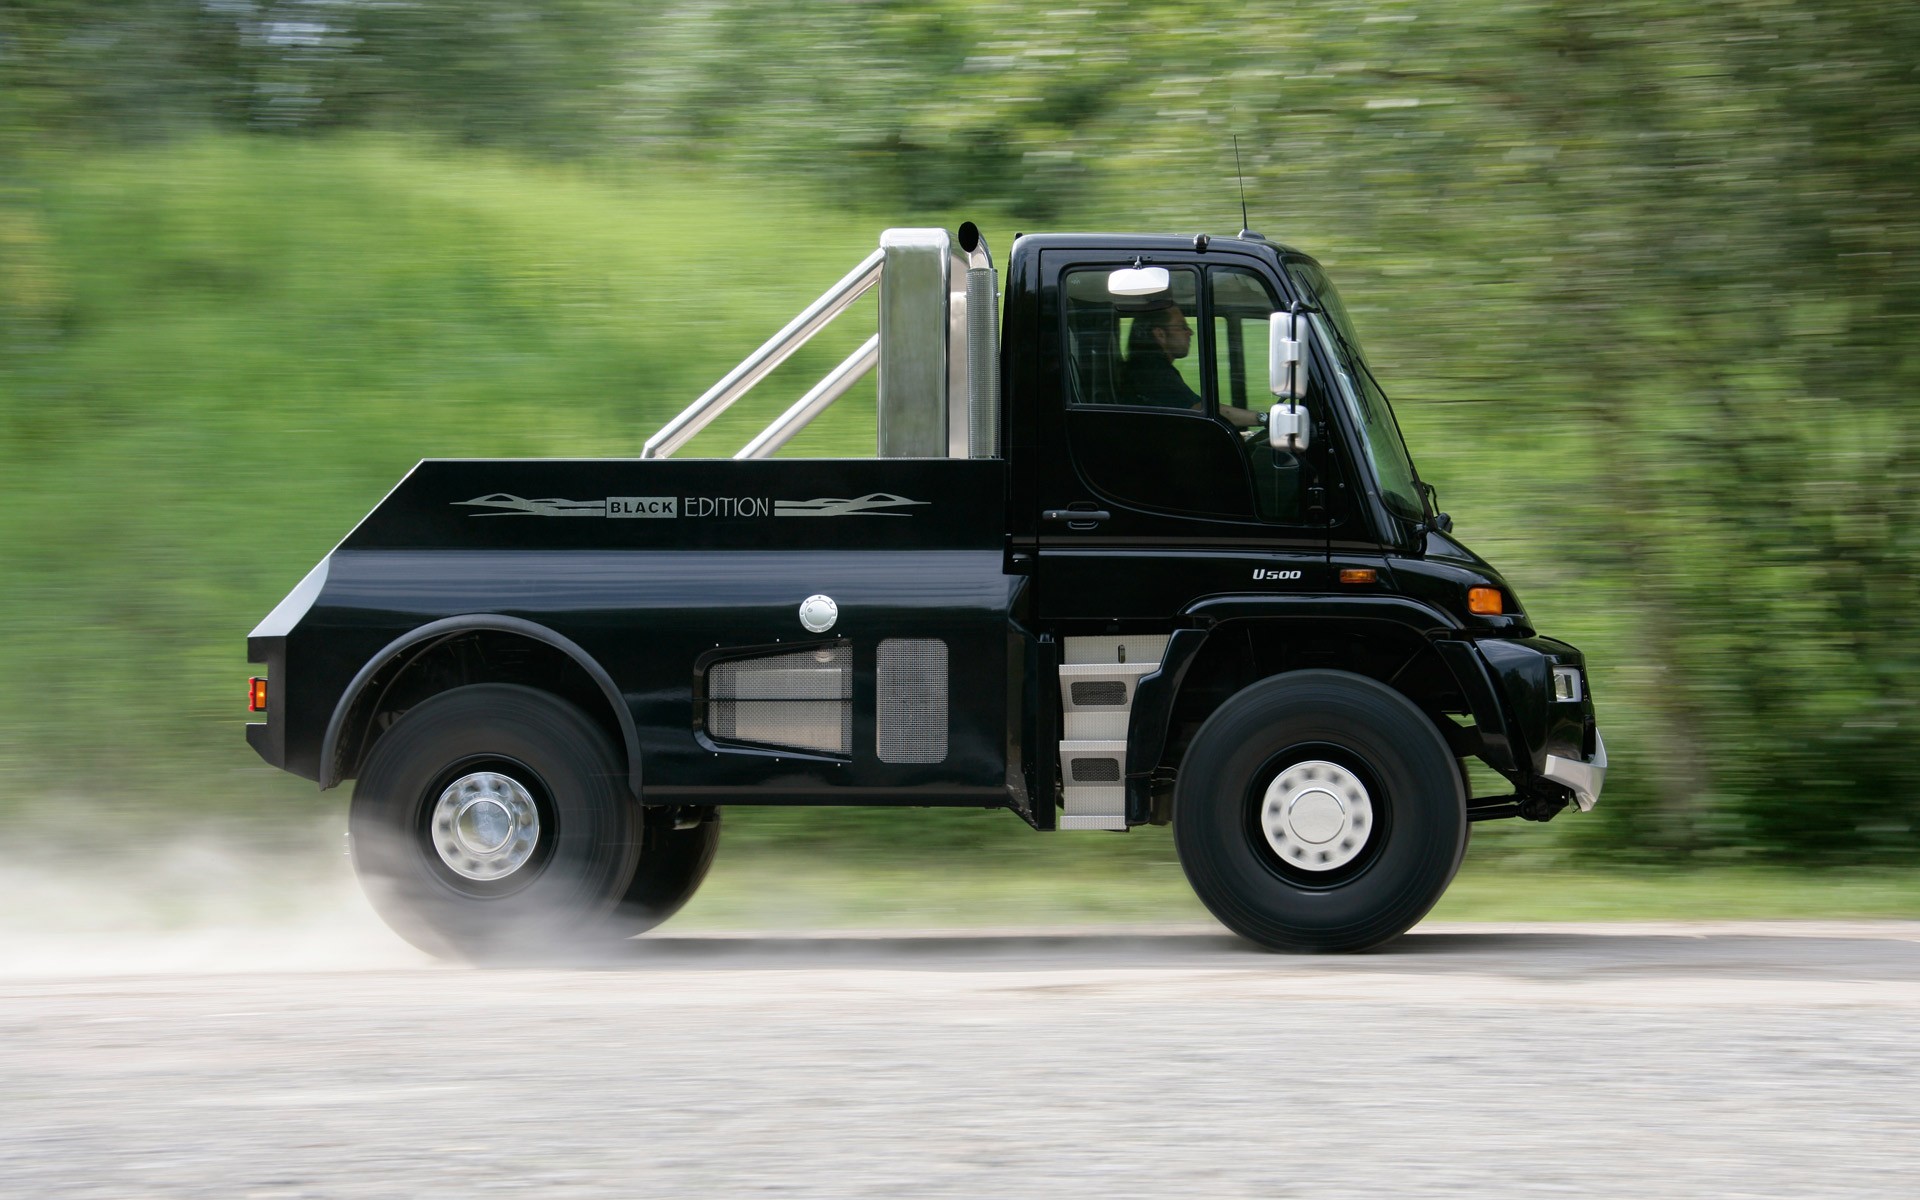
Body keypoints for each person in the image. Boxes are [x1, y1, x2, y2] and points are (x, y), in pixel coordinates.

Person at [1123, 301, 1202, 410]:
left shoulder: (1143, 368)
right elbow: (1198, 408)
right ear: (1160, 334)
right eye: (1182, 327)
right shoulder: (1154, 372)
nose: (1190, 332)